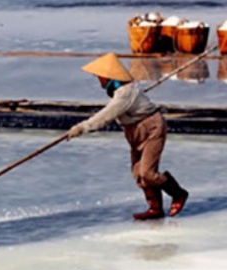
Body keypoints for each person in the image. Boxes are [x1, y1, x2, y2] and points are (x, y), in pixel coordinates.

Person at [66, 52, 189, 220]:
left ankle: (178, 193)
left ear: (109, 77)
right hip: (135, 132)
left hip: (152, 129)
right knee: (138, 173)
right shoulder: (123, 93)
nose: (99, 81)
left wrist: (80, 128)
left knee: (148, 173)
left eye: (100, 77)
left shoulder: (125, 94)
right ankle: (155, 208)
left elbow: (106, 116)